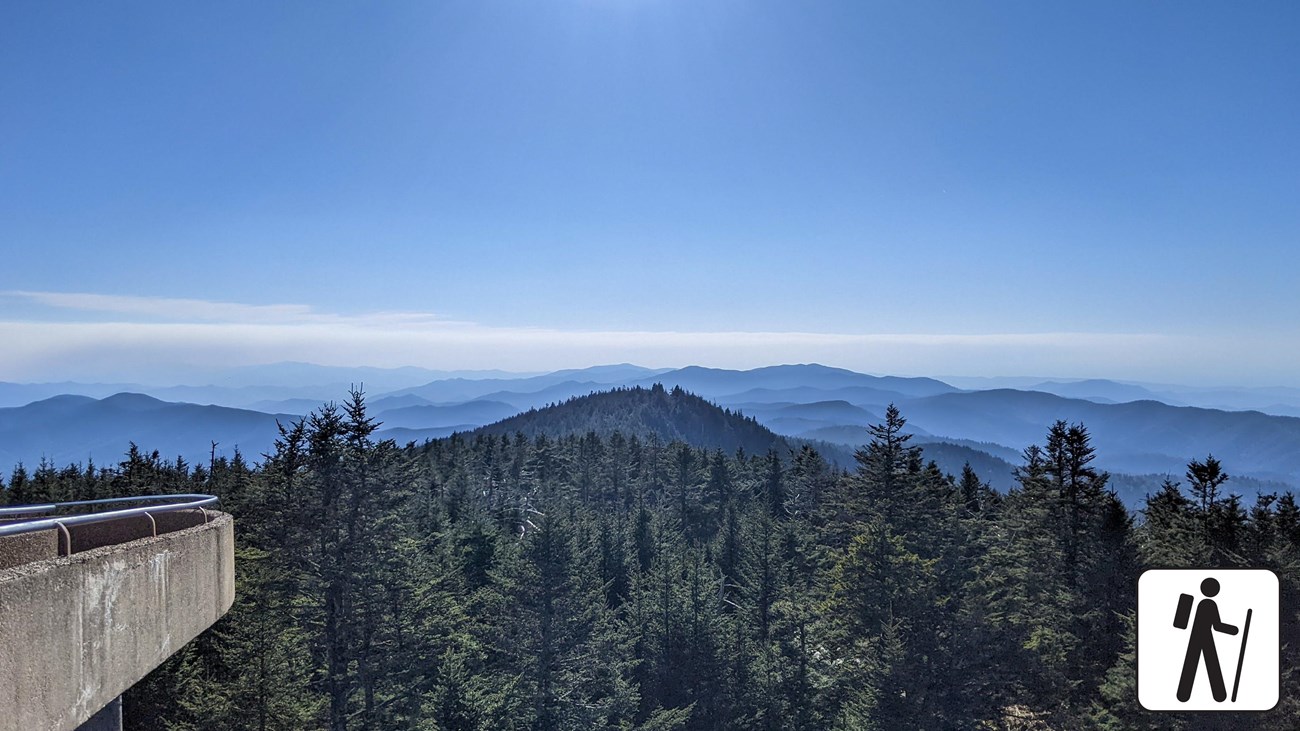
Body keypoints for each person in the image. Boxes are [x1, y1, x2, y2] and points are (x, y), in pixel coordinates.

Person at [1177, 577, 1238, 702]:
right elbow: (1217, 626)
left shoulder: (1192, 600)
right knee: (1211, 664)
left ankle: (1184, 695)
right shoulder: (1209, 604)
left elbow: (1180, 623)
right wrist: (1234, 630)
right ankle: (1219, 695)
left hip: (1197, 636)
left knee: (1193, 664)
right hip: (1203, 636)